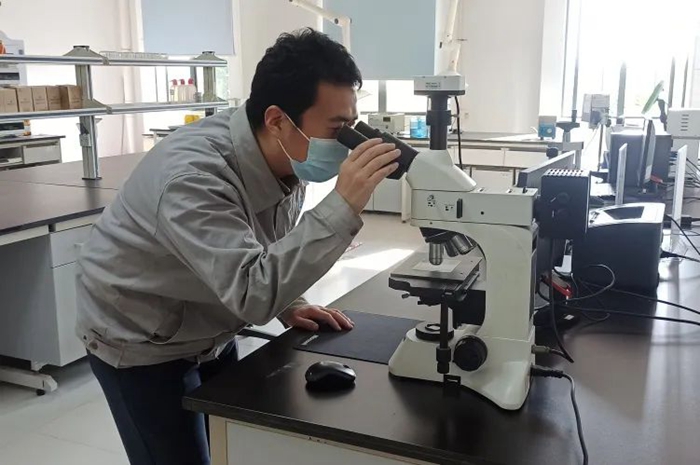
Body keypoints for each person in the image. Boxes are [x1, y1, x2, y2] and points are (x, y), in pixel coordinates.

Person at [76, 28, 400, 465]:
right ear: (277, 119)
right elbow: (251, 292)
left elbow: (262, 241)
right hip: (140, 336)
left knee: (234, 446)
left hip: (209, 316)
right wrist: (343, 207)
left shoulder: (285, 154)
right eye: (337, 128)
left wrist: (291, 302)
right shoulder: (194, 177)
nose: (345, 142)